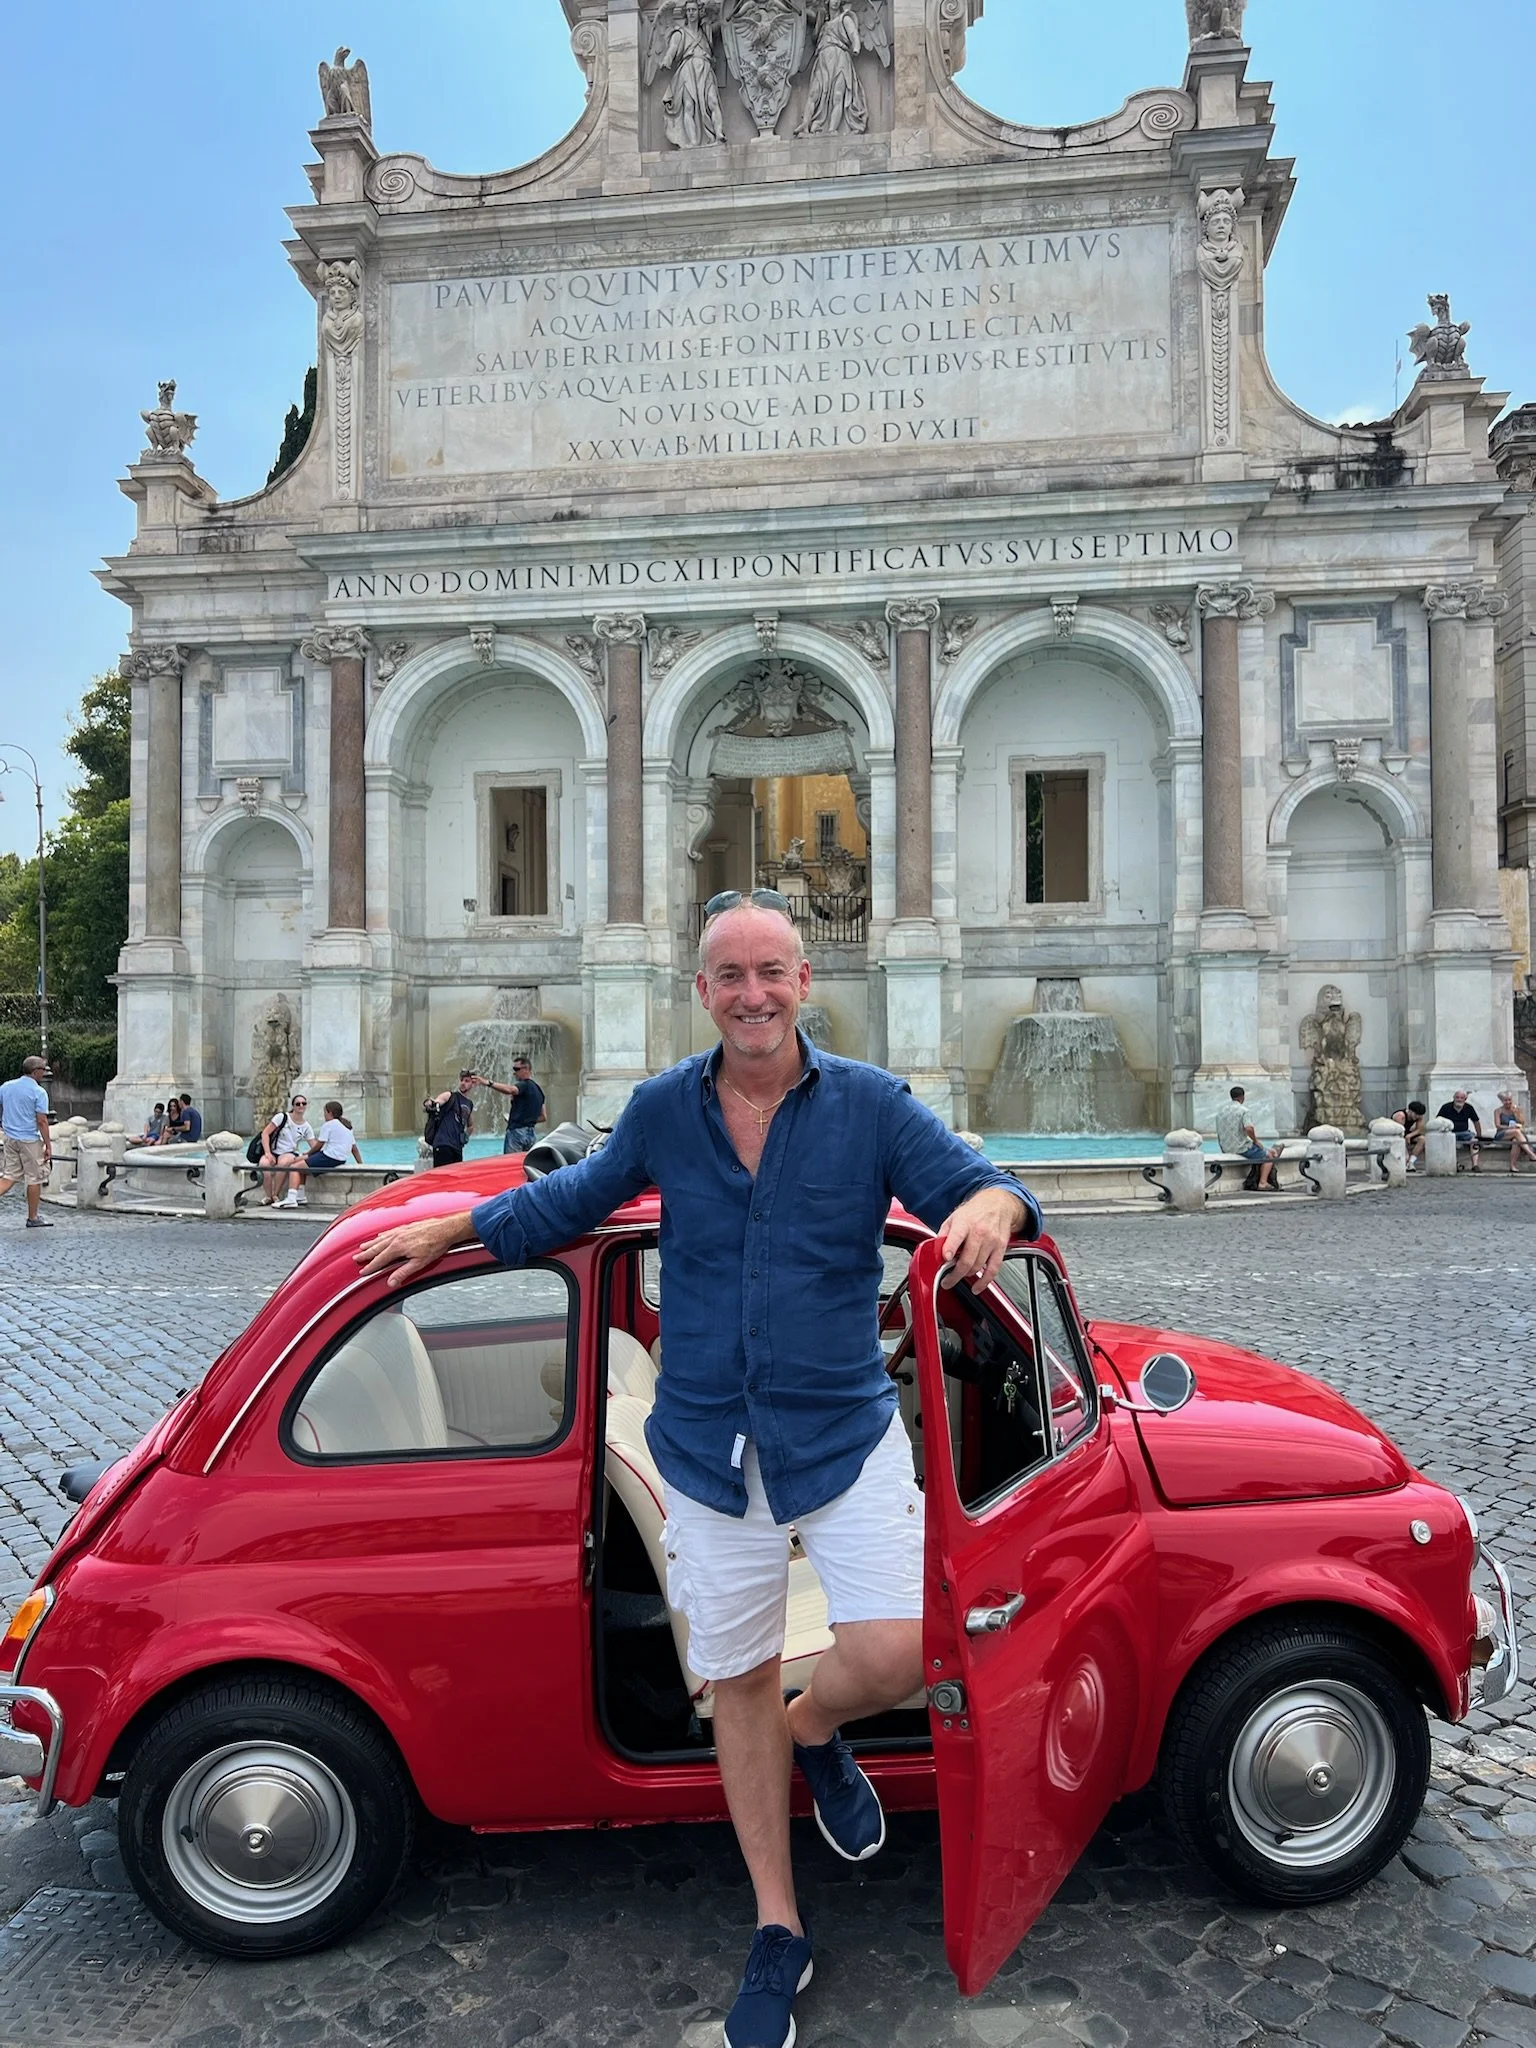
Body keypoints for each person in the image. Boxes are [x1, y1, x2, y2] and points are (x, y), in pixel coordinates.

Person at [355, 891, 1039, 2048]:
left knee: (896, 1648)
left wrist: (986, 1204)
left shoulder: (869, 1105)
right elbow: (572, 1199)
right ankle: (778, 1922)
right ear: (702, 989)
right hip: (709, 1448)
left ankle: (815, 1732)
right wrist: (450, 1231)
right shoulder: (666, 1108)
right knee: (733, 1681)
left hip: (844, 1435)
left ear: (805, 981)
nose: (753, 993)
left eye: (771, 970)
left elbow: (992, 1184)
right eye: (730, 974)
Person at [0, 1054, 54, 1229]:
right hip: (29, 1139)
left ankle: (33, 1217)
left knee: (9, 1176)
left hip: (9, 1137)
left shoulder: (6, 1087)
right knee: (34, 1178)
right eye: (43, 1069)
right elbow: (42, 1121)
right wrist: (48, 1145)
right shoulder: (39, 1092)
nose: (44, 1073)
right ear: (36, 1071)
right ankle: (33, 1217)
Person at [470, 1057, 548, 1155]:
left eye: (517, 1069)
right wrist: (526, 1119)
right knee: (525, 1165)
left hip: (517, 1133)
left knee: (510, 1164)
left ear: (527, 1069)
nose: (514, 1072)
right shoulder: (539, 1090)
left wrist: (488, 1083)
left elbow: (511, 1090)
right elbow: (543, 1117)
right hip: (531, 1134)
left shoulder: (524, 1085)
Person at [1214, 1085, 1281, 1191]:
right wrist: (1256, 1141)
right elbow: (1249, 1128)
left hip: (1226, 1148)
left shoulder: (1221, 1112)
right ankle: (1263, 1182)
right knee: (1269, 1155)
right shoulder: (1244, 1111)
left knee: (1265, 1150)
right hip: (1241, 1148)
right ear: (1242, 1097)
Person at [260, 1094, 315, 1207]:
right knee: (264, 1164)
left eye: (303, 1104)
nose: (301, 1106)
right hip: (272, 1151)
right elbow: (265, 1133)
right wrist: (268, 1153)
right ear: (293, 1106)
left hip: (289, 1152)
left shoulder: (306, 1127)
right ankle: (268, 1196)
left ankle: (275, 1195)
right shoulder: (282, 1117)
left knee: (284, 1163)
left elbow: (314, 1145)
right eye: (298, 1104)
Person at [301, 1102, 363, 1192]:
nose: (324, 1115)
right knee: (300, 1160)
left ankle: (294, 1196)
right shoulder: (347, 1126)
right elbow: (354, 1149)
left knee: (296, 1167)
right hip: (341, 1159)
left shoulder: (329, 1124)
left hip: (329, 1157)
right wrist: (361, 1165)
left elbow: (319, 1145)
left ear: (329, 1113)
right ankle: (299, 1195)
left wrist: (308, 1153)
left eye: (324, 1112)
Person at [423, 1074, 476, 1168]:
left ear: (473, 1084)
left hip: (457, 1148)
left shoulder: (469, 1104)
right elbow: (437, 1101)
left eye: (467, 1081)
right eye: (462, 1080)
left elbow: (470, 1125)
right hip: (443, 1144)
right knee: (442, 1177)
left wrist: (466, 1136)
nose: (463, 1083)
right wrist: (430, 1103)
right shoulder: (450, 1095)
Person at [1436, 1090, 1484, 1171]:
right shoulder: (1446, 1107)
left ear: (1465, 1099)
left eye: (1461, 1098)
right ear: (1453, 1098)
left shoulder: (1469, 1108)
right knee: (1449, 1142)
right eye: (1457, 1097)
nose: (1459, 1100)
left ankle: (1475, 1165)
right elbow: (1438, 1120)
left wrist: (1479, 1136)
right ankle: (1455, 1164)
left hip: (1464, 1133)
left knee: (1474, 1141)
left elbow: (1476, 1121)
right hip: (1450, 1133)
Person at [1495, 1092, 1536, 1174]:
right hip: (1503, 1133)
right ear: (1502, 1101)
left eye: (1509, 1100)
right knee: (1516, 1132)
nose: (1508, 1102)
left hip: (1517, 1134)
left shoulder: (1516, 1109)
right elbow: (1498, 1125)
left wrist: (1516, 1113)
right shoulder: (1498, 1111)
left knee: (1515, 1141)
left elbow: (1522, 1122)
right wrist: (1509, 1127)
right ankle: (1531, 1154)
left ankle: (1512, 1166)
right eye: (1505, 1100)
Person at [1395, 1100, 1428, 1172]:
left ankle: (1411, 1162)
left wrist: (1410, 1135)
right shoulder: (1400, 1115)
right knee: (1403, 1144)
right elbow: (1399, 1132)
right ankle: (1405, 1161)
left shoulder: (1419, 1116)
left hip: (1407, 1133)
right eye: (1416, 1114)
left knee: (1422, 1139)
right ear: (1410, 1111)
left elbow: (1419, 1129)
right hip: (1396, 1134)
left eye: (1419, 1115)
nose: (1417, 1117)